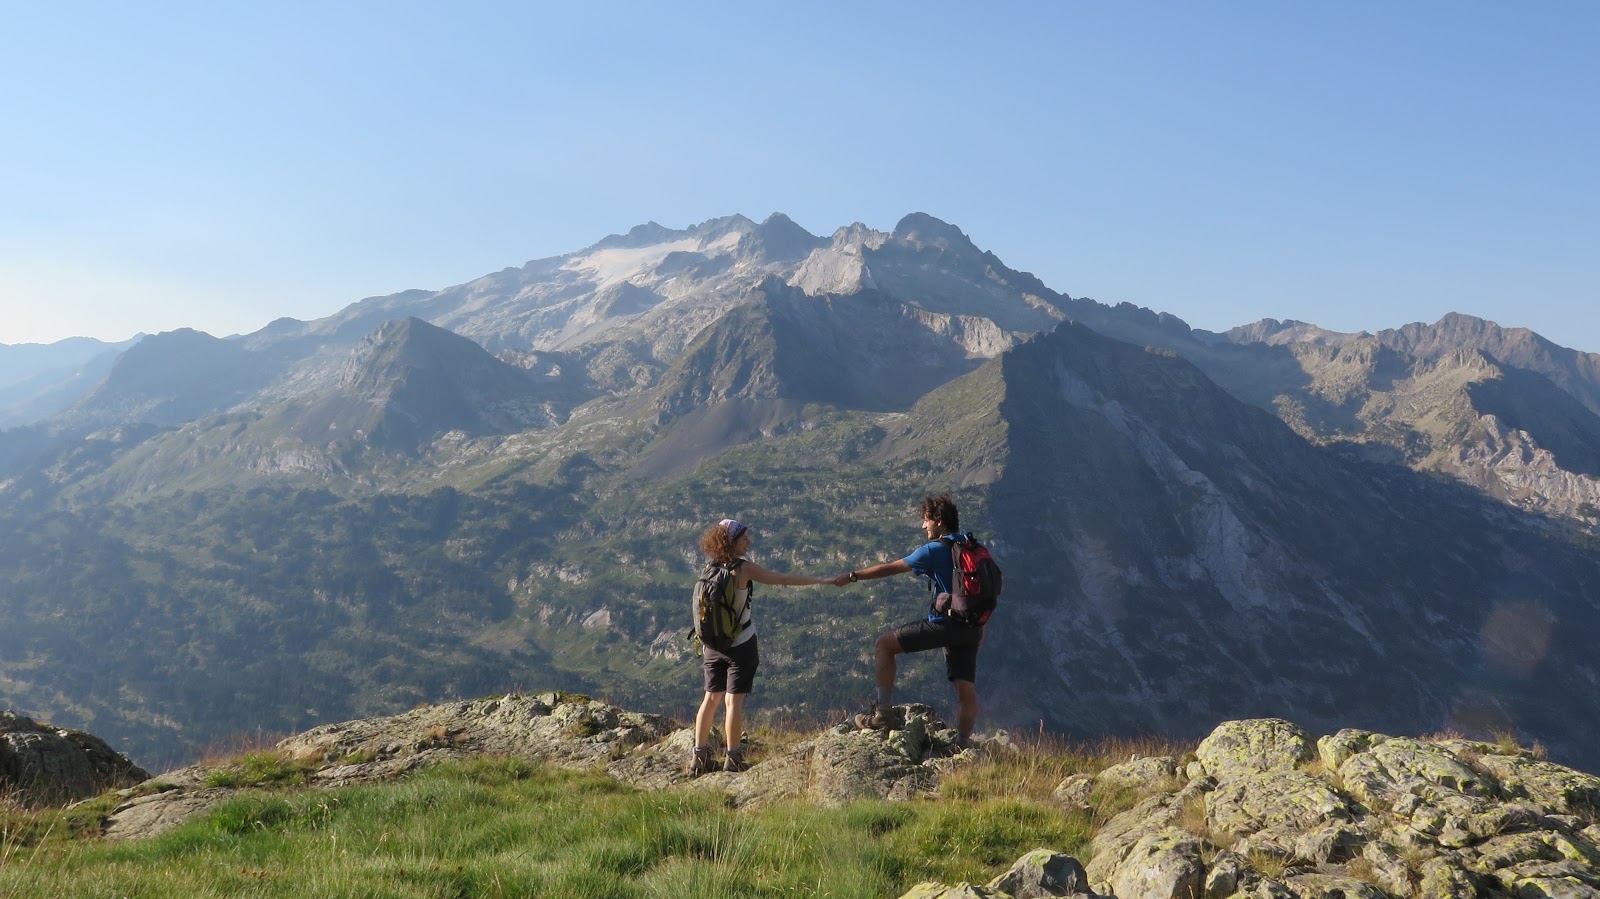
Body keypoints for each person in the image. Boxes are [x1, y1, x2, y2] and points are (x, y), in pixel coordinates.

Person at [689, 517, 837, 776]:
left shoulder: (709, 568)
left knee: (710, 699)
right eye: (743, 537)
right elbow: (782, 579)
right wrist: (823, 580)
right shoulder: (742, 569)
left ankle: (698, 758)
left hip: (712, 645)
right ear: (731, 542)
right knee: (733, 702)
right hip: (741, 644)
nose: (749, 541)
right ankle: (733, 758)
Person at [833, 494, 983, 750]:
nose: (923, 526)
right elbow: (985, 591)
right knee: (965, 689)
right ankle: (962, 744)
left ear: (938, 521)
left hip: (946, 624)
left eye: (926, 520)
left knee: (884, 645)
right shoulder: (972, 547)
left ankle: (883, 714)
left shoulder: (934, 549)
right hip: (972, 627)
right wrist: (980, 629)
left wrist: (853, 576)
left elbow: (891, 567)